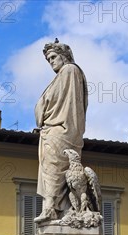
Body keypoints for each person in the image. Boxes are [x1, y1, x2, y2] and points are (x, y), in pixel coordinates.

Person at [34, 39, 88, 222]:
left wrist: (42, 107)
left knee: (54, 167)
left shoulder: (70, 70)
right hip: (53, 129)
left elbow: (53, 101)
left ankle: (51, 209)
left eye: (54, 57)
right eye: (48, 59)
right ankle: (55, 209)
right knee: (50, 169)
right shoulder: (65, 74)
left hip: (61, 130)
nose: (51, 62)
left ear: (65, 56)